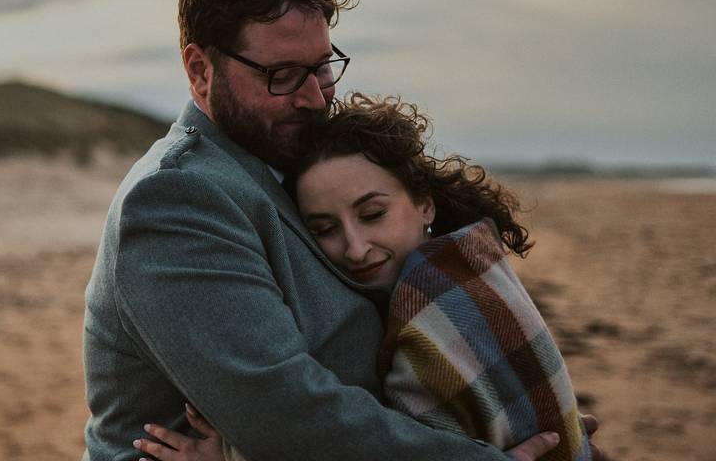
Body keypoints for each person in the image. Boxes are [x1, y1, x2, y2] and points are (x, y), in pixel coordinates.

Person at [82, 0, 599, 460]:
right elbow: (284, 410)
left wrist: (520, 420)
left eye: (322, 67)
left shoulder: (285, 165)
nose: (313, 97)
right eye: (281, 75)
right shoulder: (177, 198)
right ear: (200, 71)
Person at [135, 94, 593, 461]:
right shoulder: (471, 258)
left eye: (373, 214)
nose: (355, 248)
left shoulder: (434, 301)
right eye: (324, 230)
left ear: (424, 203)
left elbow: (392, 448)